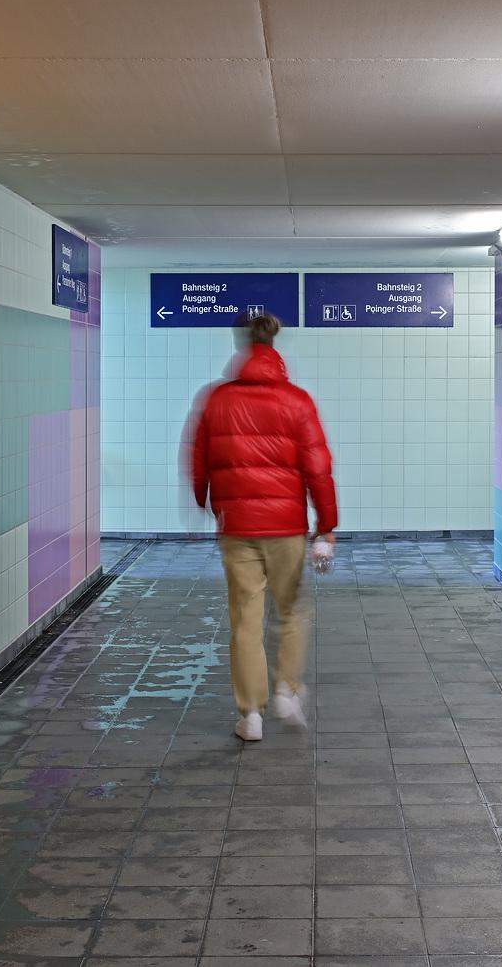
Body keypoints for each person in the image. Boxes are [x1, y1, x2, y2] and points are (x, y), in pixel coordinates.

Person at [189, 313, 337, 741]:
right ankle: (286, 691)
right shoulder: (297, 400)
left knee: (245, 620)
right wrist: (326, 525)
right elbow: (318, 467)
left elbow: (198, 458)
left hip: (236, 527)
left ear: (241, 347)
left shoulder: (217, 399)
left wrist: (204, 499)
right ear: (275, 349)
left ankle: (249, 715)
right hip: (286, 527)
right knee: (291, 610)